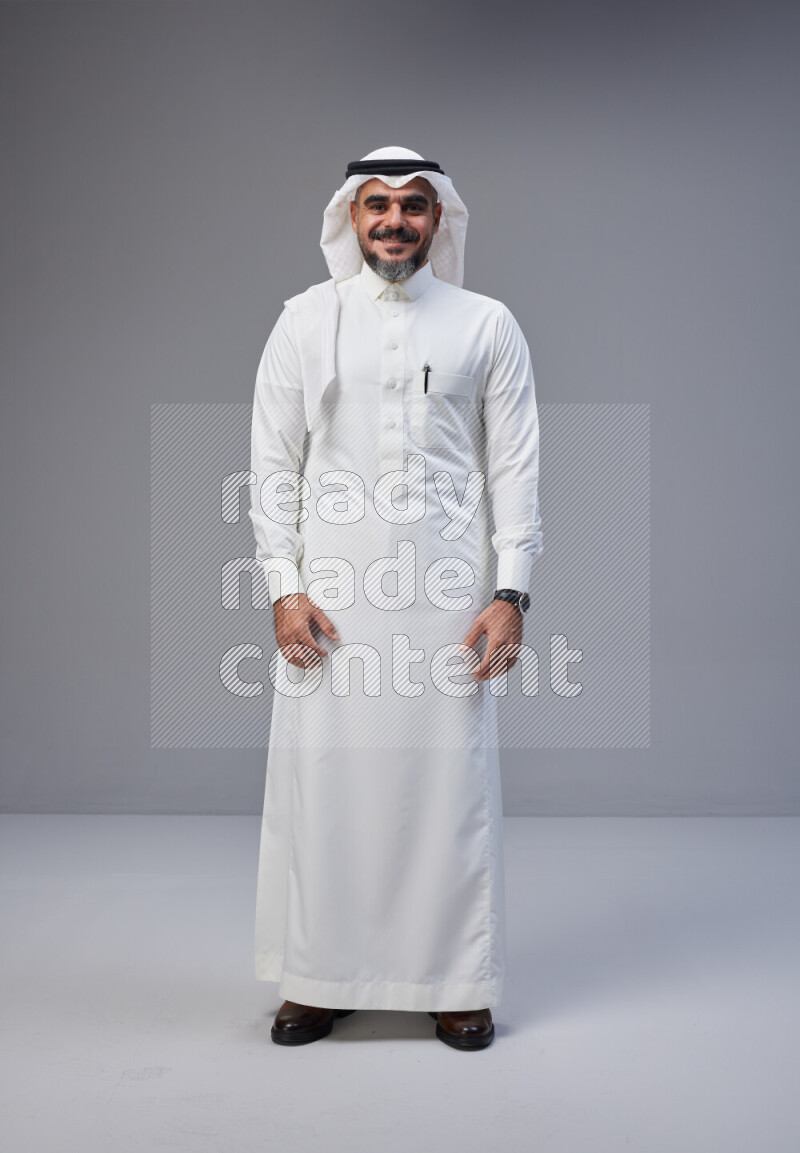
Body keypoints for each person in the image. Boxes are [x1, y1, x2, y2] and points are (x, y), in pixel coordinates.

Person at [248, 146, 542, 1050]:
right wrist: (284, 587)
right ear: (351, 216)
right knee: (326, 784)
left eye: (414, 206)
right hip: (336, 599)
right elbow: (271, 461)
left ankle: (454, 981)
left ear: (439, 219)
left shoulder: (486, 323)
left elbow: (516, 464)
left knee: (448, 789)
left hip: (450, 598)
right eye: (377, 205)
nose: (395, 221)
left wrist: (511, 593)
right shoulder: (304, 321)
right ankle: (318, 978)